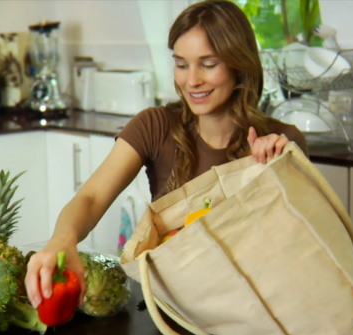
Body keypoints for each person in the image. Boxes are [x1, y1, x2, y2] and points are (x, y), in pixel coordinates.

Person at [25, 0, 309, 308]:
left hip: (251, 313)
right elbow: (91, 198)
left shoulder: (282, 142)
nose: (191, 81)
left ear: (239, 65)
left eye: (209, 64)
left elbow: (298, 253)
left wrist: (272, 173)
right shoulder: (155, 125)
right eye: (182, 64)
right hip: (172, 308)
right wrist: (61, 239)